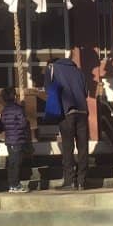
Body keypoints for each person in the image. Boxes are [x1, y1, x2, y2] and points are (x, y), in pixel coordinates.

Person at [46, 51, 90, 190]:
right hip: (82, 111)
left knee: (68, 148)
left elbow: (48, 89)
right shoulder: (79, 71)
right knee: (83, 148)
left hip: (67, 112)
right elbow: (85, 92)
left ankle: (69, 181)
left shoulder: (53, 68)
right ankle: (82, 181)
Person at [0, 86, 31, 193]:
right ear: (14, 96)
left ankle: (11, 184)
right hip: (17, 139)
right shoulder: (18, 109)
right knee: (16, 163)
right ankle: (15, 184)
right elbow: (23, 123)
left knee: (11, 163)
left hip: (9, 140)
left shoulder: (4, 110)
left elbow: (3, 123)